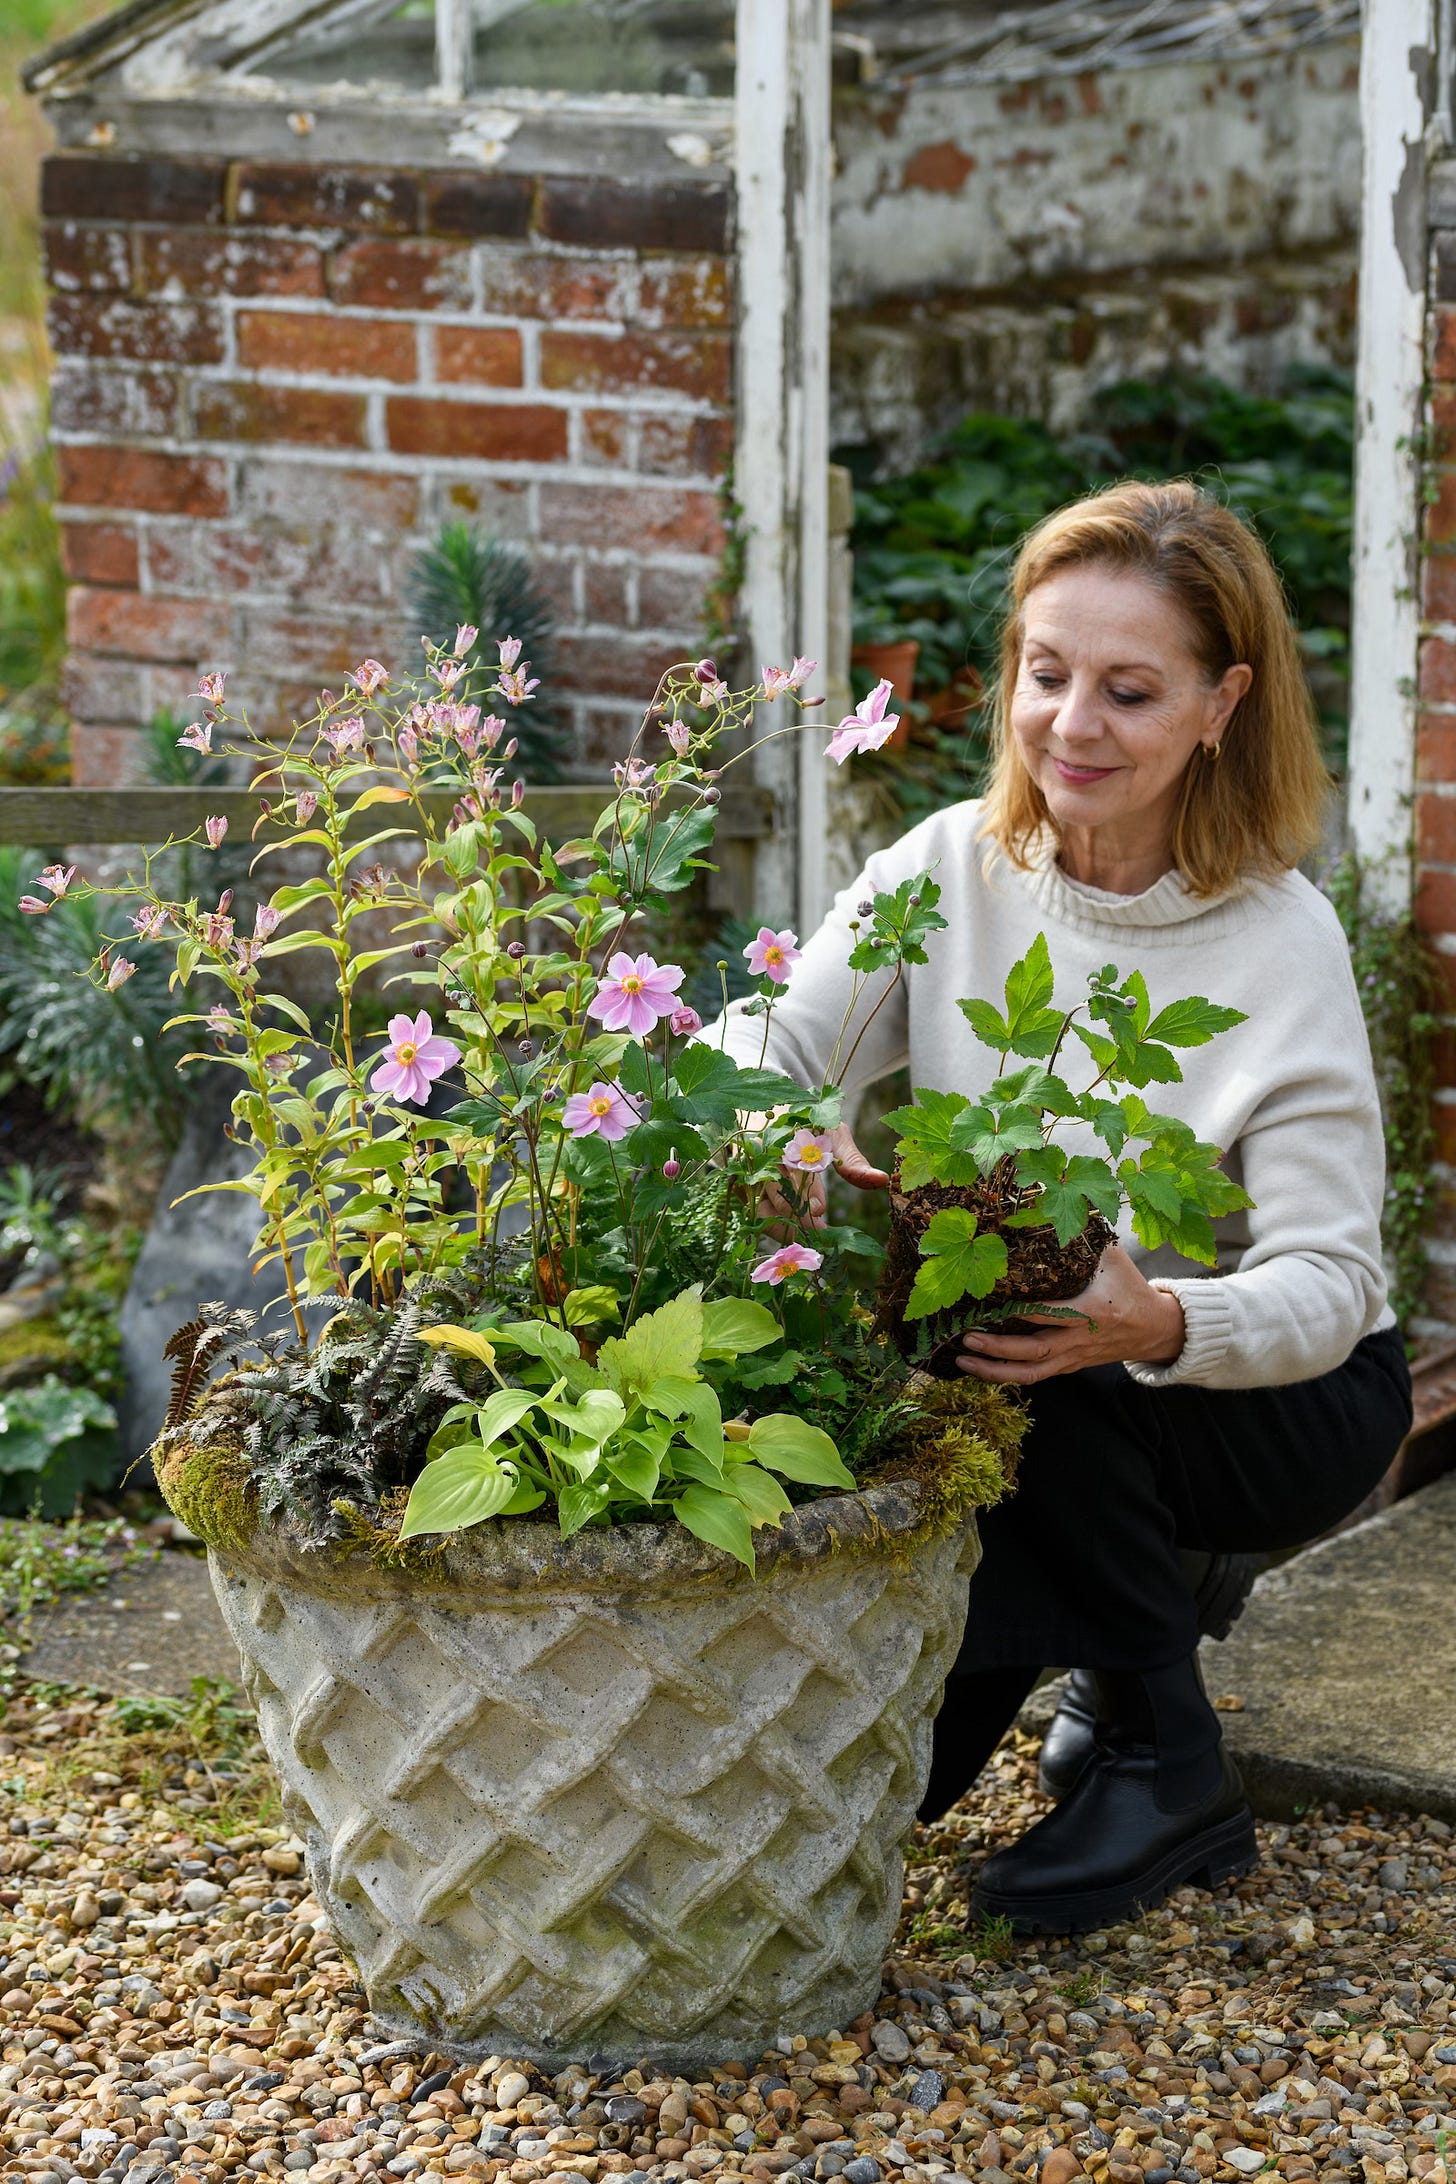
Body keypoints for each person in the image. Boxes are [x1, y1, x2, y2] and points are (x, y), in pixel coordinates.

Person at [712, 480, 1413, 1934]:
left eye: (1129, 689)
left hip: (1276, 1395)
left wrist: (1156, 1316)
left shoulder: (1281, 944)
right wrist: (790, 1107)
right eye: (1046, 674)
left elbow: (1334, 1282)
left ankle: (1167, 1756)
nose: (1070, 726)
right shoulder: (949, 868)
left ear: (1222, 704)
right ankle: (1066, 1707)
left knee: (1035, 1332)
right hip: (1032, 1367)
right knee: (897, 1774)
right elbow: (772, 1039)